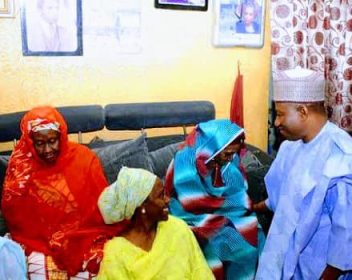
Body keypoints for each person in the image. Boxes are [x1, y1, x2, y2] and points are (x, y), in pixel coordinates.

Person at [253, 67, 352, 279]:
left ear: (303, 111)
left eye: (281, 114)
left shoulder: (342, 161)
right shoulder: (290, 147)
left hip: (324, 267)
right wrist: (252, 207)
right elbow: (283, 196)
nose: (276, 122)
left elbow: (349, 239)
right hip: (292, 254)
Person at [1, 106, 125, 278]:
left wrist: (71, 237)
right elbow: (17, 217)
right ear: (30, 142)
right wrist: (53, 239)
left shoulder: (84, 159)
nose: (47, 150)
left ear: (62, 136)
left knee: (103, 266)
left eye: (52, 141)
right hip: (39, 242)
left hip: (85, 236)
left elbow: (101, 207)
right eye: (39, 143)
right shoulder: (21, 167)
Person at [165, 119, 265, 280]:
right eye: (227, 154)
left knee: (254, 228)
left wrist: (231, 209)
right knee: (221, 243)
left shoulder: (227, 160)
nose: (230, 158)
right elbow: (189, 200)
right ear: (212, 147)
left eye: (234, 153)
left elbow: (237, 192)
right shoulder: (185, 159)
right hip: (189, 215)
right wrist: (221, 209)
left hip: (220, 210)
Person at [97, 166, 214, 280]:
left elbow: (201, 272)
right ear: (142, 207)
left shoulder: (177, 228)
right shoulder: (115, 254)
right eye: (160, 195)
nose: (168, 200)